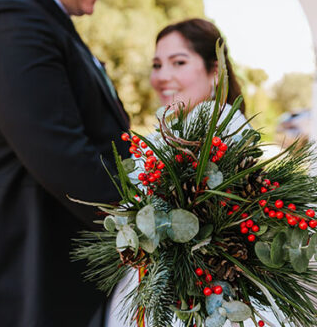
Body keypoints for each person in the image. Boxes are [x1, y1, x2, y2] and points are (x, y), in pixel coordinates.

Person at [0, 0, 132, 326]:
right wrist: (157, 221)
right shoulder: (12, 21)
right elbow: (65, 159)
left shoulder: (50, 23)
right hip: (29, 270)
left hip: (64, 270)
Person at [106, 18, 250, 326]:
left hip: (200, 298)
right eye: (157, 65)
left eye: (178, 62)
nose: (163, 76)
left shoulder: (225, 129)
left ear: (215, 71)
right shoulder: (172, 130)